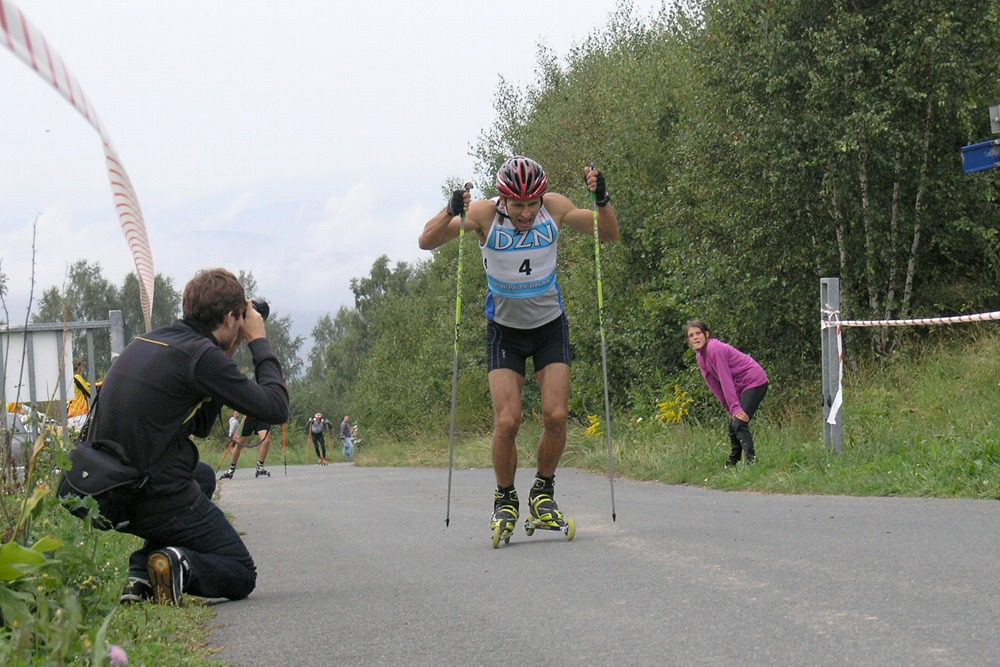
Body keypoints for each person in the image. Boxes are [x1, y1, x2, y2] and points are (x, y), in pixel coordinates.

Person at [418, 155, 619, 536]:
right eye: (518, 205)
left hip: (549, 326)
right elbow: (427, 241)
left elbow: (607, 233)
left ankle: (543, 494)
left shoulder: (554, 208)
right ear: (503, 200)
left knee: (556, 415)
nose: (526, 213)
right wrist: (449, 210)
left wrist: (603, 198)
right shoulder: (483, 216)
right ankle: (505, 499)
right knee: (508, 420)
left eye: (532, 204)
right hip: (504, 330)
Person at [89, 268, 288, 605]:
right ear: (229, 318)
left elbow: (199, 426)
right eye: (240, 318)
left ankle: (142, 571)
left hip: (105, 488)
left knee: (204, 477)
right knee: (240, 571)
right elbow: (276, 407)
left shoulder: (151, 341)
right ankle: (181, 564)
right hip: (150, 492)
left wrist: (224, 357)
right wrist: (258, 342)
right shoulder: (201, 355)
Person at [686, 320, 769, 466]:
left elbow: (725, 379)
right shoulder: (700, 356)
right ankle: (733, 462)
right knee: (733, 424)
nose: (695, 337)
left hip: (754, 381)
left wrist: (735, 407)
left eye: (698, 333)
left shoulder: (714, 349)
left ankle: (752, 462)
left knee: (740, 423)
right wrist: (728, 407)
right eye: (691, 335)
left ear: (706, 334)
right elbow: (713, 384)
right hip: (740, 386)